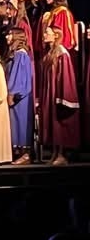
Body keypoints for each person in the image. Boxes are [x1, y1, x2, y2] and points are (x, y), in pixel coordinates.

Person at [38, 25, 80, 165]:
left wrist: (63, 97)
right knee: (51, 123)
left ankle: (62, 154)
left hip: (57, 94)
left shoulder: (62, 54)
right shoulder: (49, 53)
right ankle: (55, 153)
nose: (44, 34)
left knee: (59, 123)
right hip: (49, 94)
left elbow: (66, 77)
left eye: (47, 32)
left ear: (56, 35)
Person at [4, 28, 34, 165]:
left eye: (10, 34)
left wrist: (12, 93)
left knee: (21, 124)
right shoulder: (13, 54)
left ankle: (25, 154)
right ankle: (17, 153)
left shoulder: (21, 55)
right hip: (12, 95)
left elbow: (20, 78)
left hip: (19, 98)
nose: (6, 37)